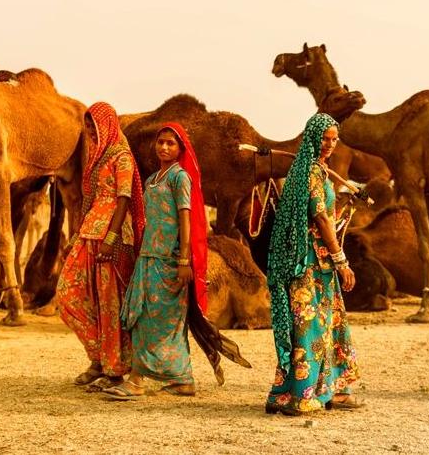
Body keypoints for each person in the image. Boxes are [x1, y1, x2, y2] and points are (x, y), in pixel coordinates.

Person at [104, 122, 249, 400]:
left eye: (170, 143)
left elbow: (186, 219)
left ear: (180, 148)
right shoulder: (152, 179)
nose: (164, 147)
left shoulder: (180, 177)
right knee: (143, 317)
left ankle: (137, 380)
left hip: (170, 261)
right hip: (149, 258)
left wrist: (184, 260)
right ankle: (182, 380)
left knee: (159, 321)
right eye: (161, 142)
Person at [265, 113, 361, 416]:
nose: (329, 144)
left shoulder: (309, 169)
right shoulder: (311, 173)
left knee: (327, 321)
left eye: (334, 139)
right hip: (310, 262)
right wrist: (341, 259)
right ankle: (301, 395)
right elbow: (320, 217)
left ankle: (332, 390)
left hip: (314, 259)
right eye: (324, 138)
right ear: (311, 138)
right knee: (311, 324)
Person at [56, 102, 146, 392]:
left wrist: (110, 237)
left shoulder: (122, 157)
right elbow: (90, 201)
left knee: (110, 304)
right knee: (69, 294)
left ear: (107, 125)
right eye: (88, 126)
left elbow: (124, 199)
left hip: (113, 237)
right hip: (89, 232)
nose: (91, 131)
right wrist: (76, 237)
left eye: (95, 125)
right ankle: (98, 356)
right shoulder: (96, 158)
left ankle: (114, 368)